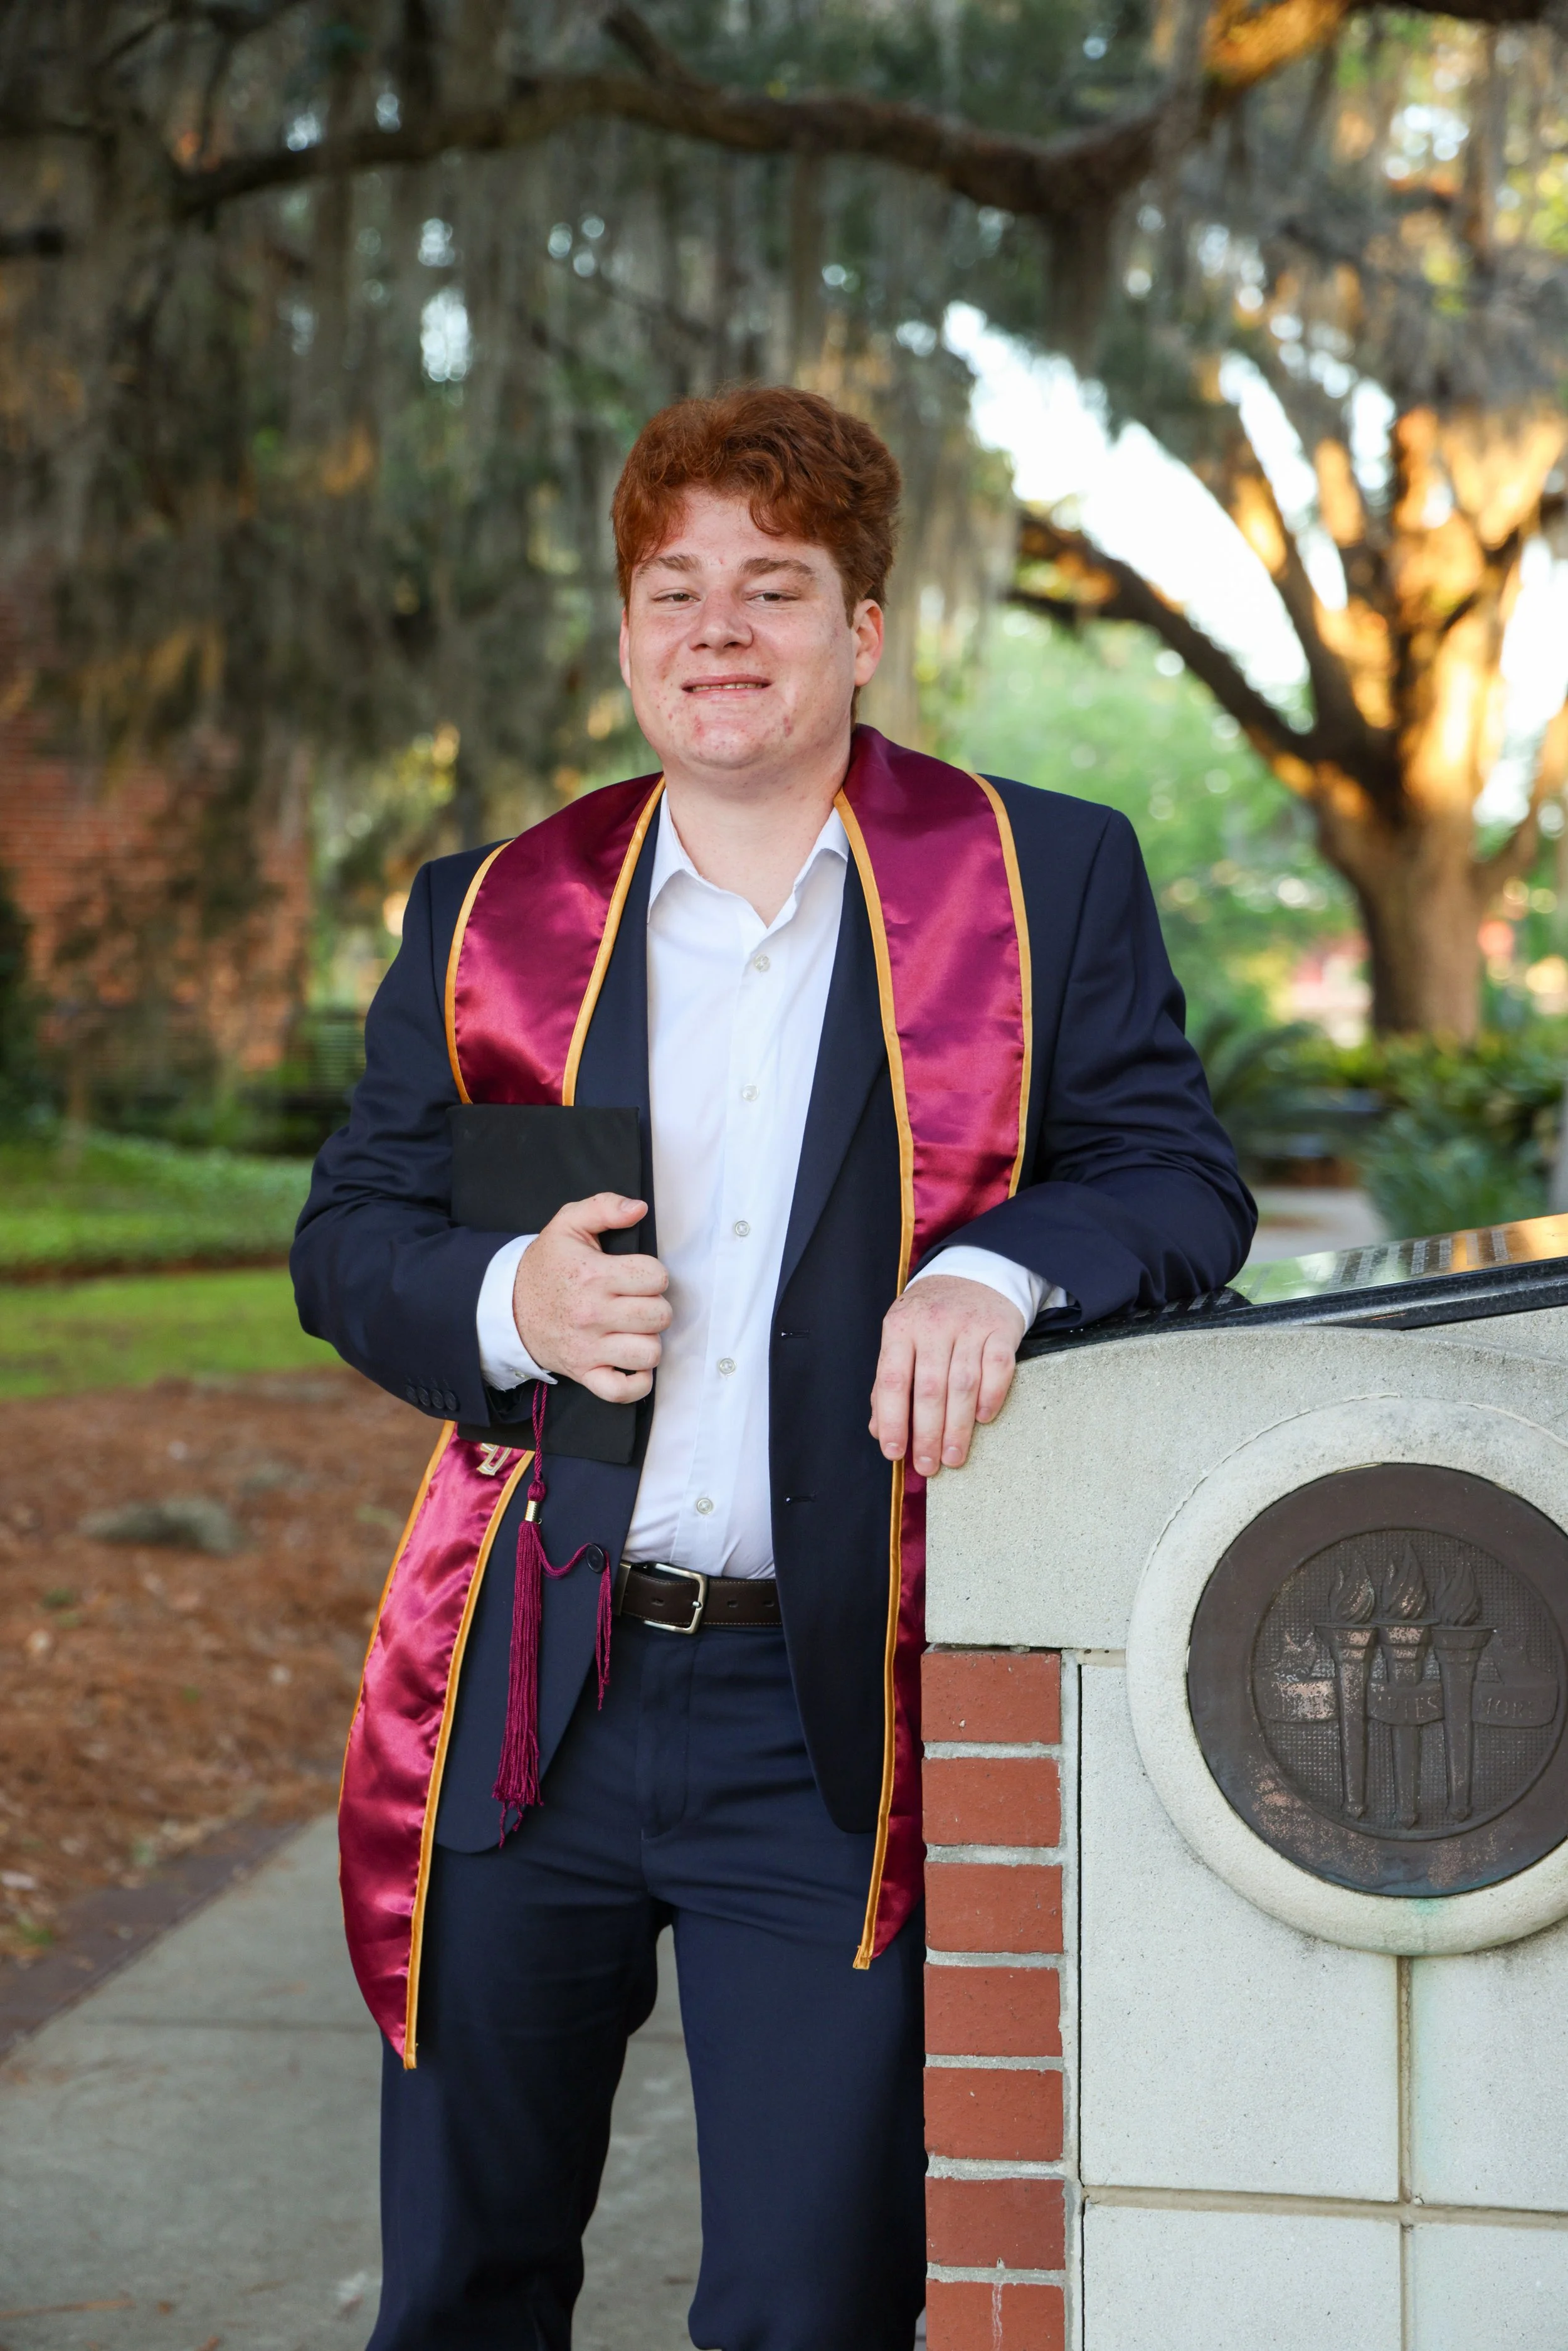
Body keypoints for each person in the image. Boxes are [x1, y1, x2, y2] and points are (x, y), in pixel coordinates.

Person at [292, 385, 1254, 2351]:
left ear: (864, 626)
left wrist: (999, 1263)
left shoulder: (1035, 875)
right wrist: (507, 1307)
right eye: (676, 587)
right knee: (462, 2283)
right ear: (629, 628)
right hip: (525, 1696)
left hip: (831, 1714)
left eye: (774, 585)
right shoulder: (497, 909)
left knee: (810, 2304)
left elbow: (1173, 1174)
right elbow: (353, 1238)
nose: (718, 626)